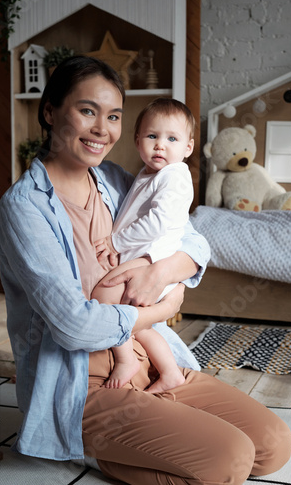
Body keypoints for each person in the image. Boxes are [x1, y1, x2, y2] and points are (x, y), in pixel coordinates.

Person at [0, 56, 291, 485]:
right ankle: (80, 444)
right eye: (87, 111)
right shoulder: (24, 208)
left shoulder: (117, 179)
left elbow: (194, 241)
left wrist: (162, 272)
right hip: (84, 382)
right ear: (50, 112)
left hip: (150, 357)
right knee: (228, 461)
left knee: (272, 444)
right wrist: (164, 305)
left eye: (113, 116)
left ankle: (145, 433)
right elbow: (74, 327)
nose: (103, 129)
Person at [92, 98, 196, 393]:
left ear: (187, 147)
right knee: (142, 327)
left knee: (103, 294)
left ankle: (126, 360)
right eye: (152, 136)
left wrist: (115, 241)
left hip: (154, 260)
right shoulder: (149, 173)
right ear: (138, 141)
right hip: (145, 257)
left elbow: (158, 222)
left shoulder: (174, 176)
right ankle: (171, 373)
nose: (160, 145)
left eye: (172, 138)